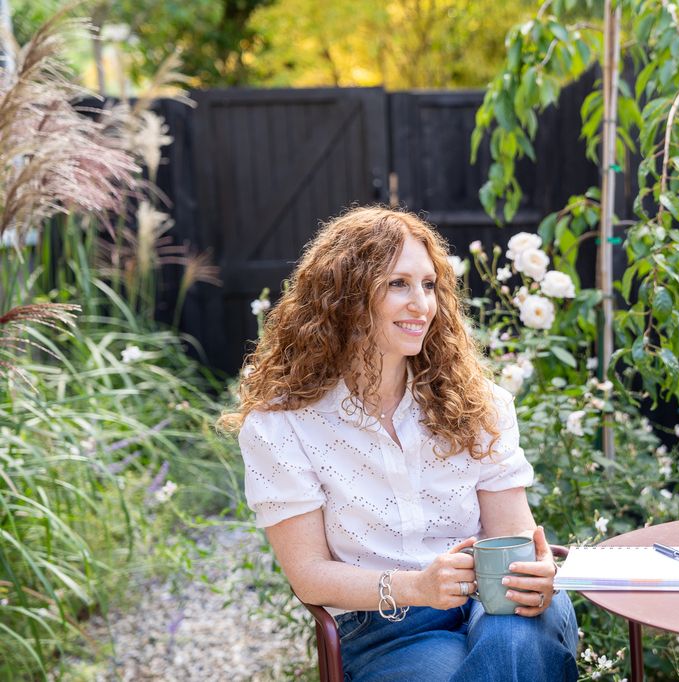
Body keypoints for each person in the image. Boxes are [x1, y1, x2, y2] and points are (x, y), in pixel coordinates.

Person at [220, 206, 579, 681]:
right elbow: (308, 573)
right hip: (388, 629)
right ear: (344, 297)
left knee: (512, 639)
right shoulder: (282, 426)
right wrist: (416, 587)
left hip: (496, 604)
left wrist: (538, 575)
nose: (422, 305)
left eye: (429, 285)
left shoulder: (479, 405)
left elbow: (512, 534)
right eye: (398, 284)